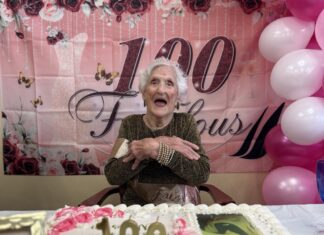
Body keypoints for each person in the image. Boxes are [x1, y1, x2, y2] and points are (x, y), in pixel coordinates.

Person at [104, 57, 210, 205]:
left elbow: (201, 173)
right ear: (143, 92)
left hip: (180, 210)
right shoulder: (130, 123)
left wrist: (158, 149)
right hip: (138, 211)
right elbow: (113, 176)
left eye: (169, 83)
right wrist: (152, 147)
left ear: (177, 96)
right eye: (154, 82)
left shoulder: (186, 123)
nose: (161, 89)